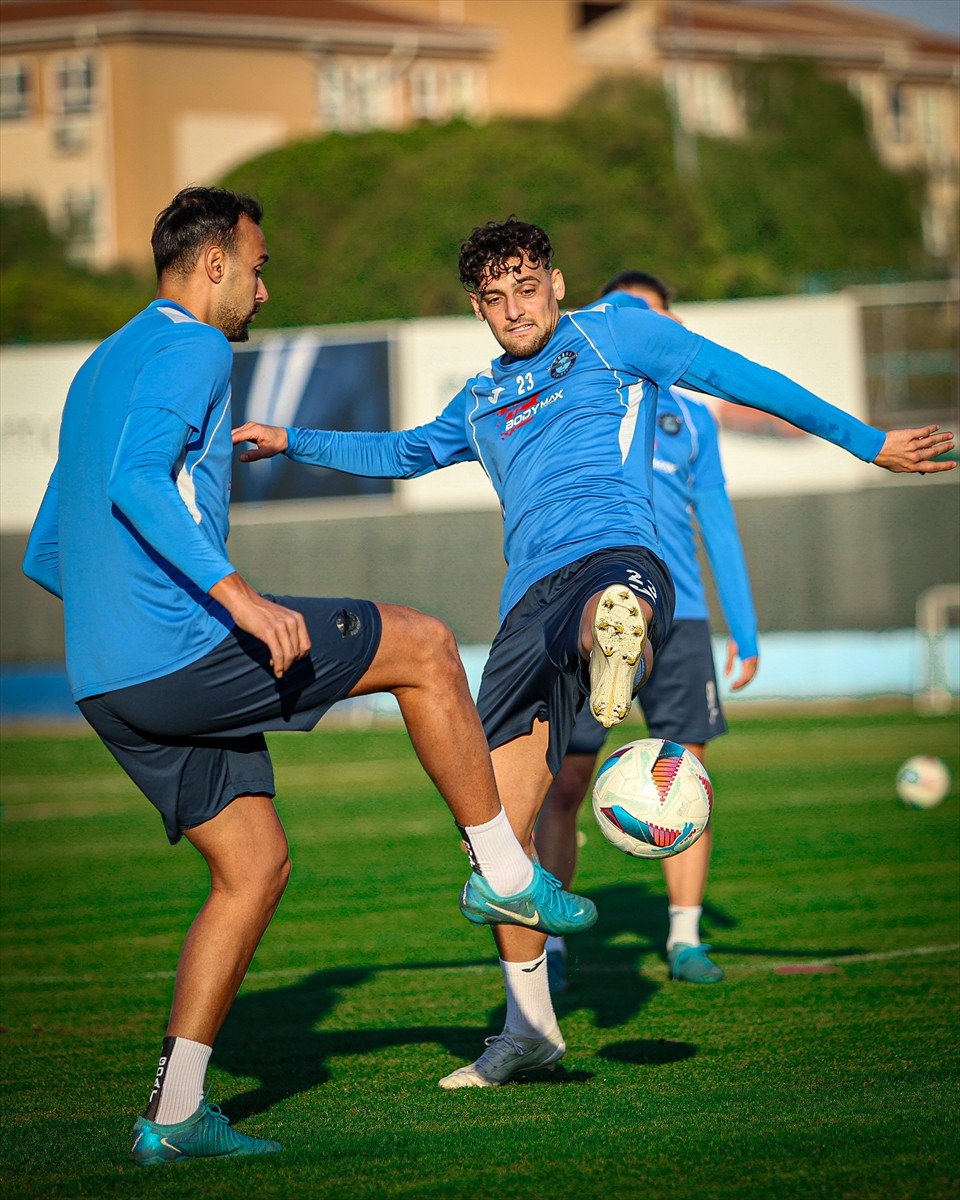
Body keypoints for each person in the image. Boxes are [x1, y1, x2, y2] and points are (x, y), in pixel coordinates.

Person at [233, 217, 954, 1089]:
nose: (514, 308)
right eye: (494, 298)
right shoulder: (480, 400)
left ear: (558, 284)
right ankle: (530, 1030)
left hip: (618, 554)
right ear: (477, 309)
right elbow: (404, 451)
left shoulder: (617, 335)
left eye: (526, 288)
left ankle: (617, 641)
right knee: (498, 844)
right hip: (523, 611)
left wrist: (869, 442)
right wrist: (294, 439)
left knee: (606, 605)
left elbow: (744, 378)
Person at [21, 192, 597, 1164]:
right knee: (424, 645)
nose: (263, 289)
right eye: (257, 267)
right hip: (181, 653)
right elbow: (134, 482)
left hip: (107, 682)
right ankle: (506, 875)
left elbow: (50, 548)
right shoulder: (195, 346)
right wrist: (236, 602)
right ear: (214, 265)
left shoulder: (100, 364)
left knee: (253, 868)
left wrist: (126, 634)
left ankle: (174, 1117)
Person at [536, 268, 758, 993]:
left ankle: (685, 938)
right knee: (565, 781)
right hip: (590, 616)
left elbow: (716, 519)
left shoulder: (694, 419)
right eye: (631, 314)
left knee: (684, 776)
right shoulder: (579, 394)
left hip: (681, 621)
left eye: (658, 316)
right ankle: (550, 944)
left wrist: (745, 627)